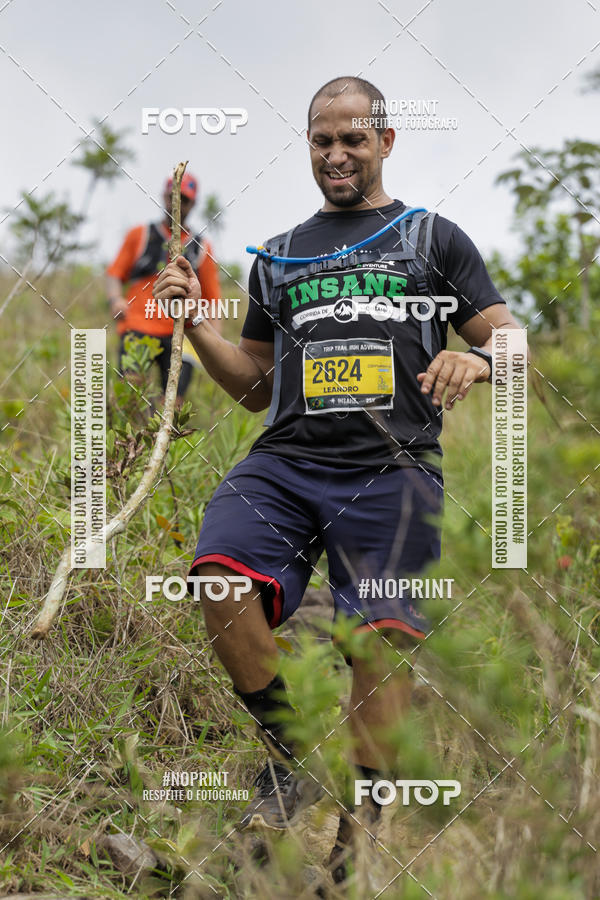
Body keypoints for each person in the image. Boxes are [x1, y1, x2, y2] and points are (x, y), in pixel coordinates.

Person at [153, 77, 525, 884]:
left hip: (394, 471)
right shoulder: (281, 254)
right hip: (287, 464)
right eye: (323, 141)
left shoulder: (431, 239)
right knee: (217, 578)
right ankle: (288, 754)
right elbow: (255, 386)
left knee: (378, 643)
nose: (337, 155)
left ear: (386, 141)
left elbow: (514, 344)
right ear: (309, 146)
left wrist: (477, 358)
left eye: (353, 139)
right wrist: (198, 327)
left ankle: (355, 849)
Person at [106, 172, 221, 406]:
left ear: (193, 203)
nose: (177, 203)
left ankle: (163, 428)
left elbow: (213, 300)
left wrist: (216, 345)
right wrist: (115, 299)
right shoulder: (139, 235)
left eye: (184, 199)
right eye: (173, 197)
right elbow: (115, 273)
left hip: (182, 332)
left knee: (173, 402)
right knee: (129, 394)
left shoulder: (202, 248)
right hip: (138, 325)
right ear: (164, 196)